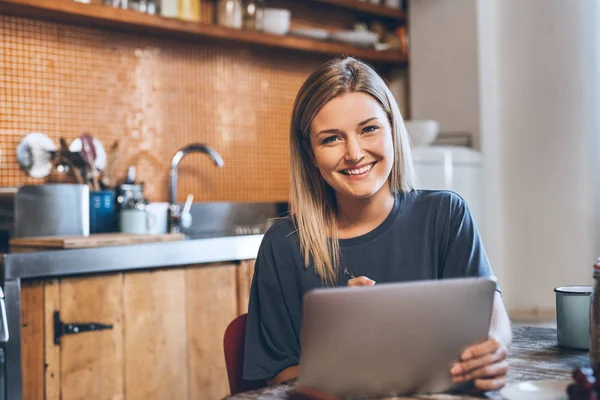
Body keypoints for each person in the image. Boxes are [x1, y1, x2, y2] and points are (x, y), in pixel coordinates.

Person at [243, 57, 512, 393]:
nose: (354, 153)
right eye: (331, 139)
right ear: (311, 155)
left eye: (369, 129)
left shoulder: (446, 214)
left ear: (392, 131)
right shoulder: (284, 244)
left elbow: (491, 311)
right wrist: (341, 343)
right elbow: (277, 377)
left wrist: (495, 347)